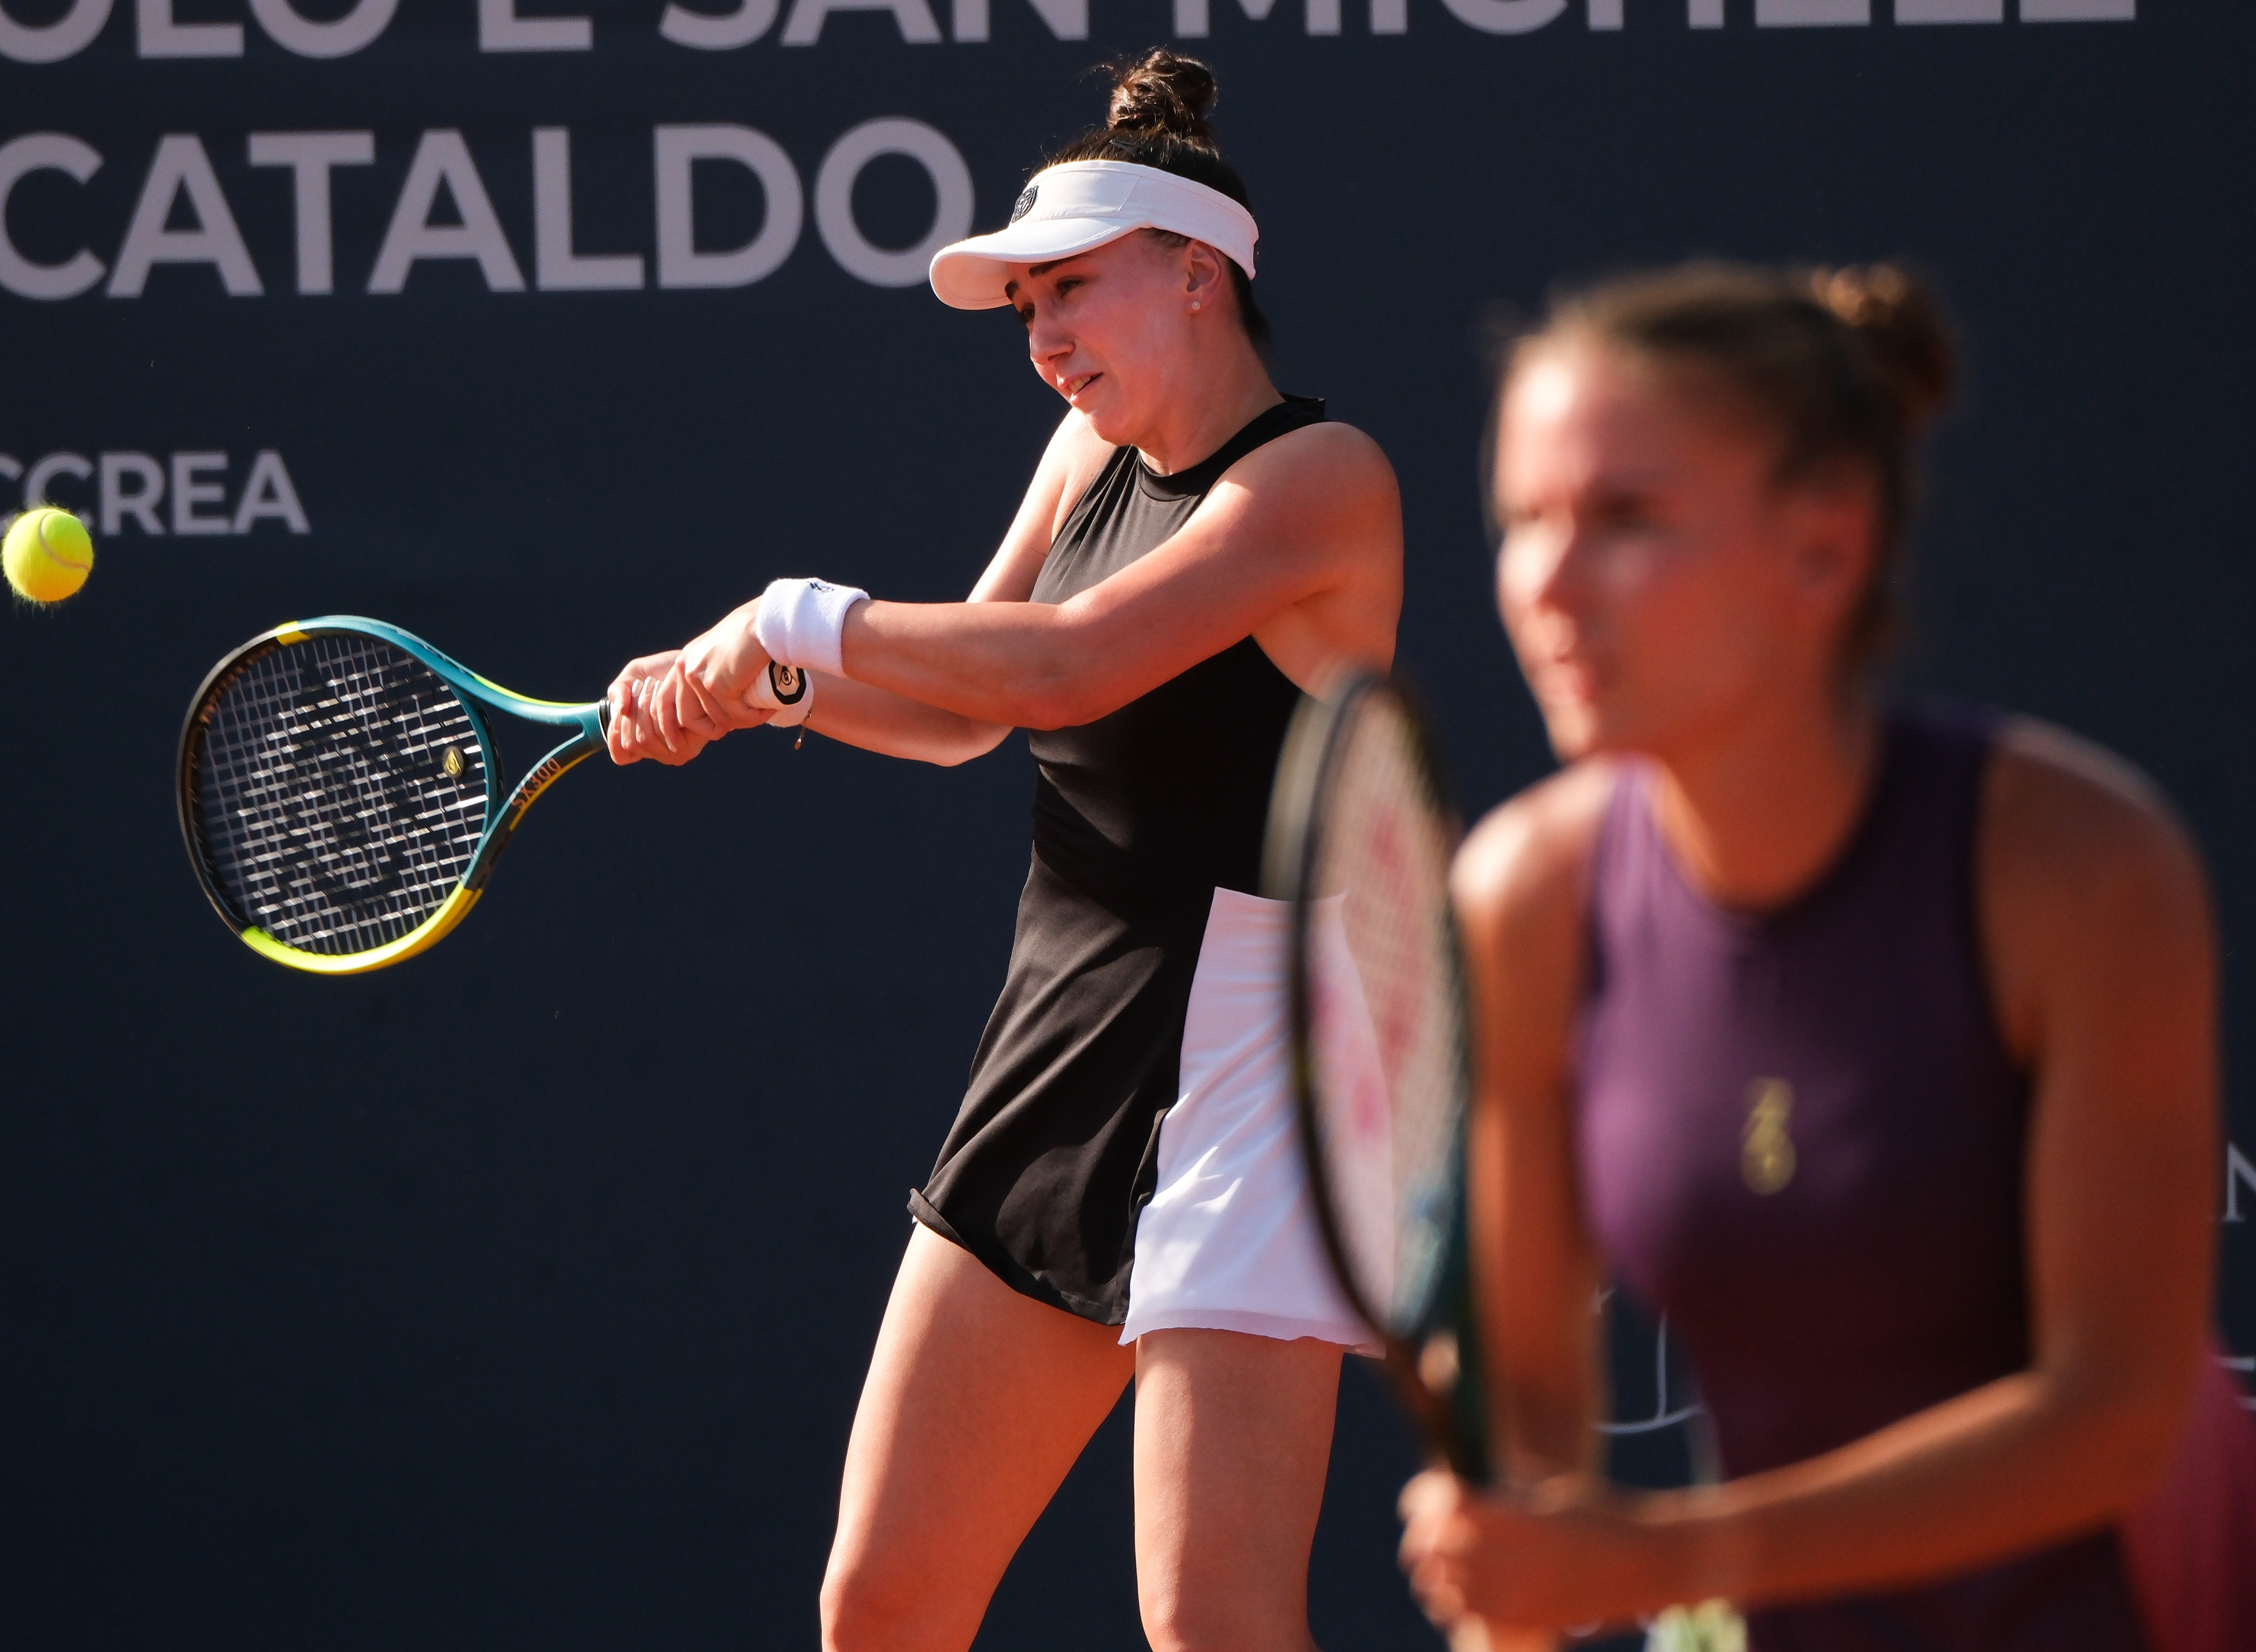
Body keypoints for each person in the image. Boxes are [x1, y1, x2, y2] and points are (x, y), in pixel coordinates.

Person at [605, 53, 1405, 1652]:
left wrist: (791, 617)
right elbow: (961, 708)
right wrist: (773, 696)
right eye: (1024, 305)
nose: (1041, 339)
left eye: (1070, 293)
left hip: (1257, 1079)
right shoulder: (1086, 455)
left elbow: (1064, 668)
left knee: (1213, 1625)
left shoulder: (1324, 481)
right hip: (1057, 1053)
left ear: (1198, 277)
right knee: (884, 1604)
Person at [1397, 261, 2255, 1650]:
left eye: (1627, 520)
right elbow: (1538, 1404)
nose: (1546, 583)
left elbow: (2112, 1419)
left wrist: (1664, 1555)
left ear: (1825, 546)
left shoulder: (2085, 865)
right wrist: (1530, 1587)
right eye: (1522, 520)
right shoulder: (1526, 897)